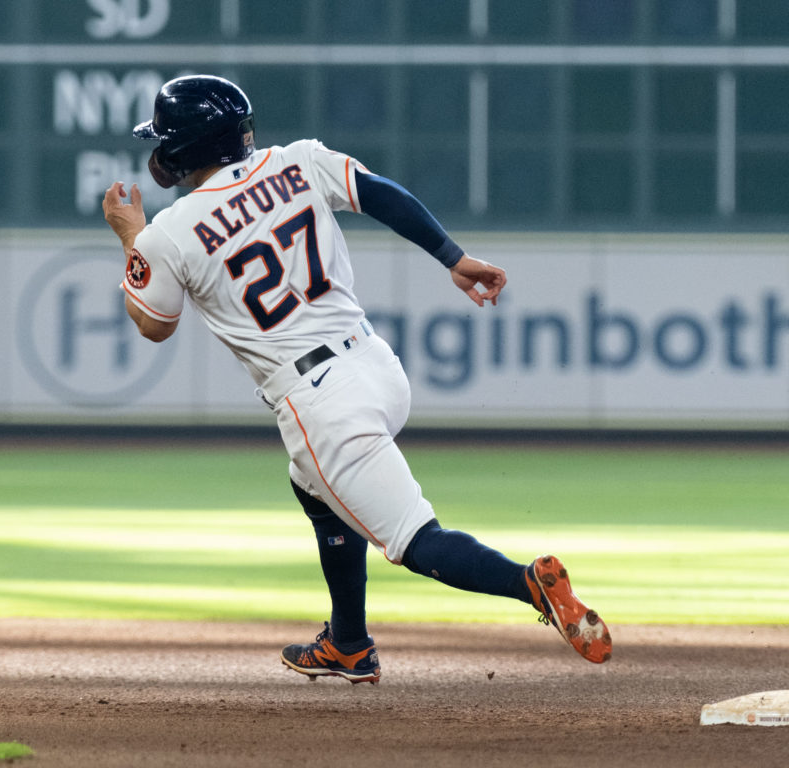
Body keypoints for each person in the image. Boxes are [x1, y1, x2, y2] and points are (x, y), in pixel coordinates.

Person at [102, 74, 611, 684]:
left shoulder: (168, 234)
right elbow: (380, 194)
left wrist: (131, 234)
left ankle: (529, 584)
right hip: (376, 366)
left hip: (319, 402)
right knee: (310, 486)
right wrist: (454, 257)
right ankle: (348, 643)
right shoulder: (299, 161)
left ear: (179, 150)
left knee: (415, 539)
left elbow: (154, 324)